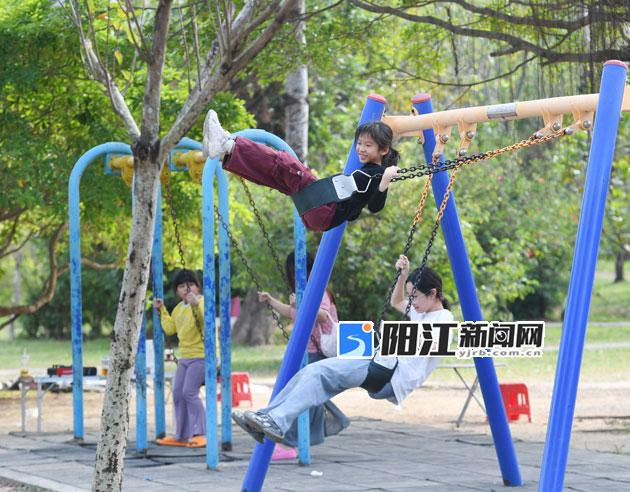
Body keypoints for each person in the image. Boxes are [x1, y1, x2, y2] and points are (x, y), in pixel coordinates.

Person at [232, 256, 453, 445]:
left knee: (320, 374)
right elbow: (397, 301)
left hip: (391, 376)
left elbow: (433, 345)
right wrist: (402, 276)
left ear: (432, 294)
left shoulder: (444, 319)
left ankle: (276, 422)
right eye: (410, 295)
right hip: (381, 364)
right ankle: (265, 419)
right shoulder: (421, 311)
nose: (411, 302)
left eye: (415, 296)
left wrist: (388, 336)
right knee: (311, 372)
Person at [203, 110, 400, 232]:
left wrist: (385, 181)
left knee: (286, 164)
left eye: (368, 145)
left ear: (383, 150)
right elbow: (354, 213)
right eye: (359, 143)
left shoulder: (378, 174)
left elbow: (375, 207)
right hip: (319, 214)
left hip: (324, 210)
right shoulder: (367, 172)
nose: (361, 149)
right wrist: (350, 208)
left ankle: (226, 143)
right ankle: (225, 152)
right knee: (275, 177)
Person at [256, 251, 349, 460]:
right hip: (306, 351)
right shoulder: (303, 293)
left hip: (319, 351)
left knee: (300, 396)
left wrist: (301, 303)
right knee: (303, 394)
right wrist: (271, 300)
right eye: (293, 272)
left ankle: (290, 443)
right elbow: (292, 313)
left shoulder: (319, 291)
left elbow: (322, 315)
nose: (298, 276)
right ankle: (334, 421)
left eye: (302, 270)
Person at [154, 269, 208, 448]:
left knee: (189, 392)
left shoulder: (203, 302)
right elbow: (170, 329)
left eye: (191, 285)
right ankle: (182, 434)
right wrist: (161, 310)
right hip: (185, 358)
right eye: (182, 286)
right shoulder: (178, 309)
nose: (187, 289)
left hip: (202, 356)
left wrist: (195, 305)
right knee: (178, 393)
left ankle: (201, 433)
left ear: (198, 287)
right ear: (177, 291)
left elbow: (204, 320)